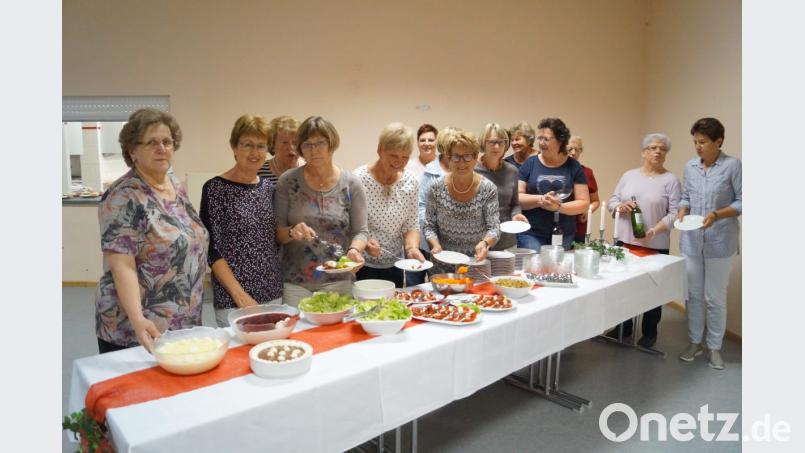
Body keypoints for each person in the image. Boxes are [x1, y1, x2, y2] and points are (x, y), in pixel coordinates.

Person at [94, 108, 208, 353]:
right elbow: (121, 264)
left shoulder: (174, 183)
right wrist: (137, 318)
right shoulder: (123, 196)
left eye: (167, 142)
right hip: (137, 329)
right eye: (152, 142)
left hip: (181, 320)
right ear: (132, 151)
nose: (162, 148)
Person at [274, 116, 369, 307]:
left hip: (338, 280)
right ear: (300, 148)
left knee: (336, 335)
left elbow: (361, 231)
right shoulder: (287, 181)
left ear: (332, 144)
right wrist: (293, 232)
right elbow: (278, 234)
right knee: (298, 335)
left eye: (320, 143)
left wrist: (354, 250)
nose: (314, 150)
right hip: (296, 282)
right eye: (307, 145)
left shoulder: (351, 184)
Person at [199, 114, 283, 327]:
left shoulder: (269, 189)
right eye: (247, 145)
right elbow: (211, 249)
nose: (255, 153)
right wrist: (240, 296)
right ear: (234, 148)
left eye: (261, 146)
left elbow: (274, 240)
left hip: (272, 293)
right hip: (233, 300)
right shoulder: (215, 189)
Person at [605, 133, 681, 348]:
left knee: (652, 290)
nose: (658, 152)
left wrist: (655, 230)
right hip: (626, 241)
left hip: (655, 244)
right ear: (643, 152)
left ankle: (649, 332)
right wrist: (620, 206)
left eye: (662, 149)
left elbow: (675, 213)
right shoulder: (629, 175)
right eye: (653, 147)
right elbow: (613, 200)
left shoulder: (671, 180)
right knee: (623, 287)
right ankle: (623, 327)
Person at [677, 118, 742, 370]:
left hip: (720, 242)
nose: (698, 147)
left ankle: (714, 347)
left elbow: (742, 202)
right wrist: (683, 209)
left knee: (714, 297)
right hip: (691, 241)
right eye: (695, 142)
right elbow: (685, 197)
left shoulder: (732, 166)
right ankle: (695, 342)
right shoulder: (690, 166)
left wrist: (717, 214)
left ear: (718, 141)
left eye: (702, 142)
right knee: (693, 295)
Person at [354, 123, 425, 287]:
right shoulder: (358, 179)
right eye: (393, 155)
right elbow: (350, 223)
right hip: (362, 263)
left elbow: (411, 223)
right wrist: (364, 243)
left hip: (395, 263)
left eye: (405, 157)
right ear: (380, 150)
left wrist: (412, 248)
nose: (399, 162)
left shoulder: (411, 182)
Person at [424, 129, 500, 275]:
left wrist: (485, 243)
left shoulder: (488, 188)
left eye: (467, 156)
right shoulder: (436, 187)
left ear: (476, 157)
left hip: (475, 263)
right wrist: (435, 245)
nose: (461, 162)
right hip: (442, 263)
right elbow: (429, 225)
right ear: (448, 158)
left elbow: (494, 228)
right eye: (456, 157)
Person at [517, 118, 590, 250]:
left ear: (560, 141)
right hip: (531, 232)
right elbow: (517, 197)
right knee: (536, 268)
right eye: (539, 138)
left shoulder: (574, 166)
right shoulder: (530, 163)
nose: (541, 143)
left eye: (546, 139)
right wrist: (541, 199)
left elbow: (583, 203)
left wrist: (558, 207)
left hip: (562, 234)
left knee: (556, 269)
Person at [475, 122, 529, 250]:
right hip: (479, 239)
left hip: (506, 237)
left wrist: (516, 215)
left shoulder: (512, 171)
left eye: (502, 142)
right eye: (492, 142)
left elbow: (515, 204)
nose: (497, 146)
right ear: (483, 143)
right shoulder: (472, 170)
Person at [567, 136, 601, 242]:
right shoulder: (554, 170)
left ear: (581, 151)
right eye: (569, 149)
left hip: (579, 228)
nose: (573, 153)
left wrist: (588, 210)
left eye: (577, 150)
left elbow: (595, 201)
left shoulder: (587, 172)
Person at [257, 115, 303, 186]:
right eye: (285, 142)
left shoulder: (309, 171)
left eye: (295, 143)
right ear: (272, 145)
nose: (291, 147)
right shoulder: (259, 171)